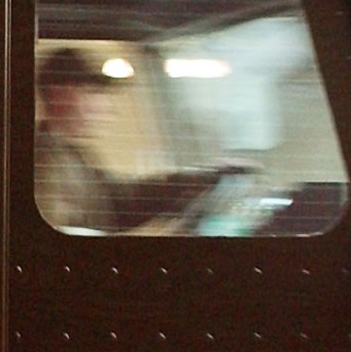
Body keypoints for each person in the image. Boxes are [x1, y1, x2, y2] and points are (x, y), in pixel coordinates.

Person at [34, 48, 234, 234]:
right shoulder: (42, 163)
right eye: (93, 92)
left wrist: (201, 179)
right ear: (59, 94)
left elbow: (123, 198)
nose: (105, 108)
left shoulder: (70, 154)